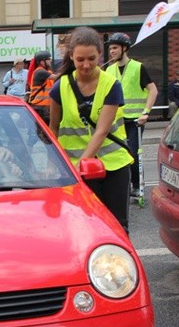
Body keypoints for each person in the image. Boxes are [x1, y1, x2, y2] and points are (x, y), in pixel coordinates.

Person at [49, 27, 133, 234]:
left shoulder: (111, 84)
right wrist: (54, 164)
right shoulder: (60, 87)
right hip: (75, 169)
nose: (86, 65)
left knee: (116, 226)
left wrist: (81, 167)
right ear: (71, 57)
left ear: (99, 55)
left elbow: (102, 131)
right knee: (82, 227)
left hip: (112, 166)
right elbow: (53, 128)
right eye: (80, 60)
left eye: (91, 59)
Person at [105, 32, 158, 198]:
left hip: (136, 120)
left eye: (114, 48)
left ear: (124, 48)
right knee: (118, 155)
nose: (111, 51)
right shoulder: (109, 69)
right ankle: (121, 186)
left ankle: (136, 186)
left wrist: (146, 113)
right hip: (116, 121)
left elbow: (153, 90)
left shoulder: (138, 67)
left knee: (133, 154)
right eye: (110, 48)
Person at [28, 51, 55, 124]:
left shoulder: (46, 71)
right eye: (48, 59)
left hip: (44, 107)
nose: (50, 60)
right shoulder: (40, 72)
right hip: (40, 107)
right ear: (42, 61)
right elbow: (57, 77)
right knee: (42, 131)